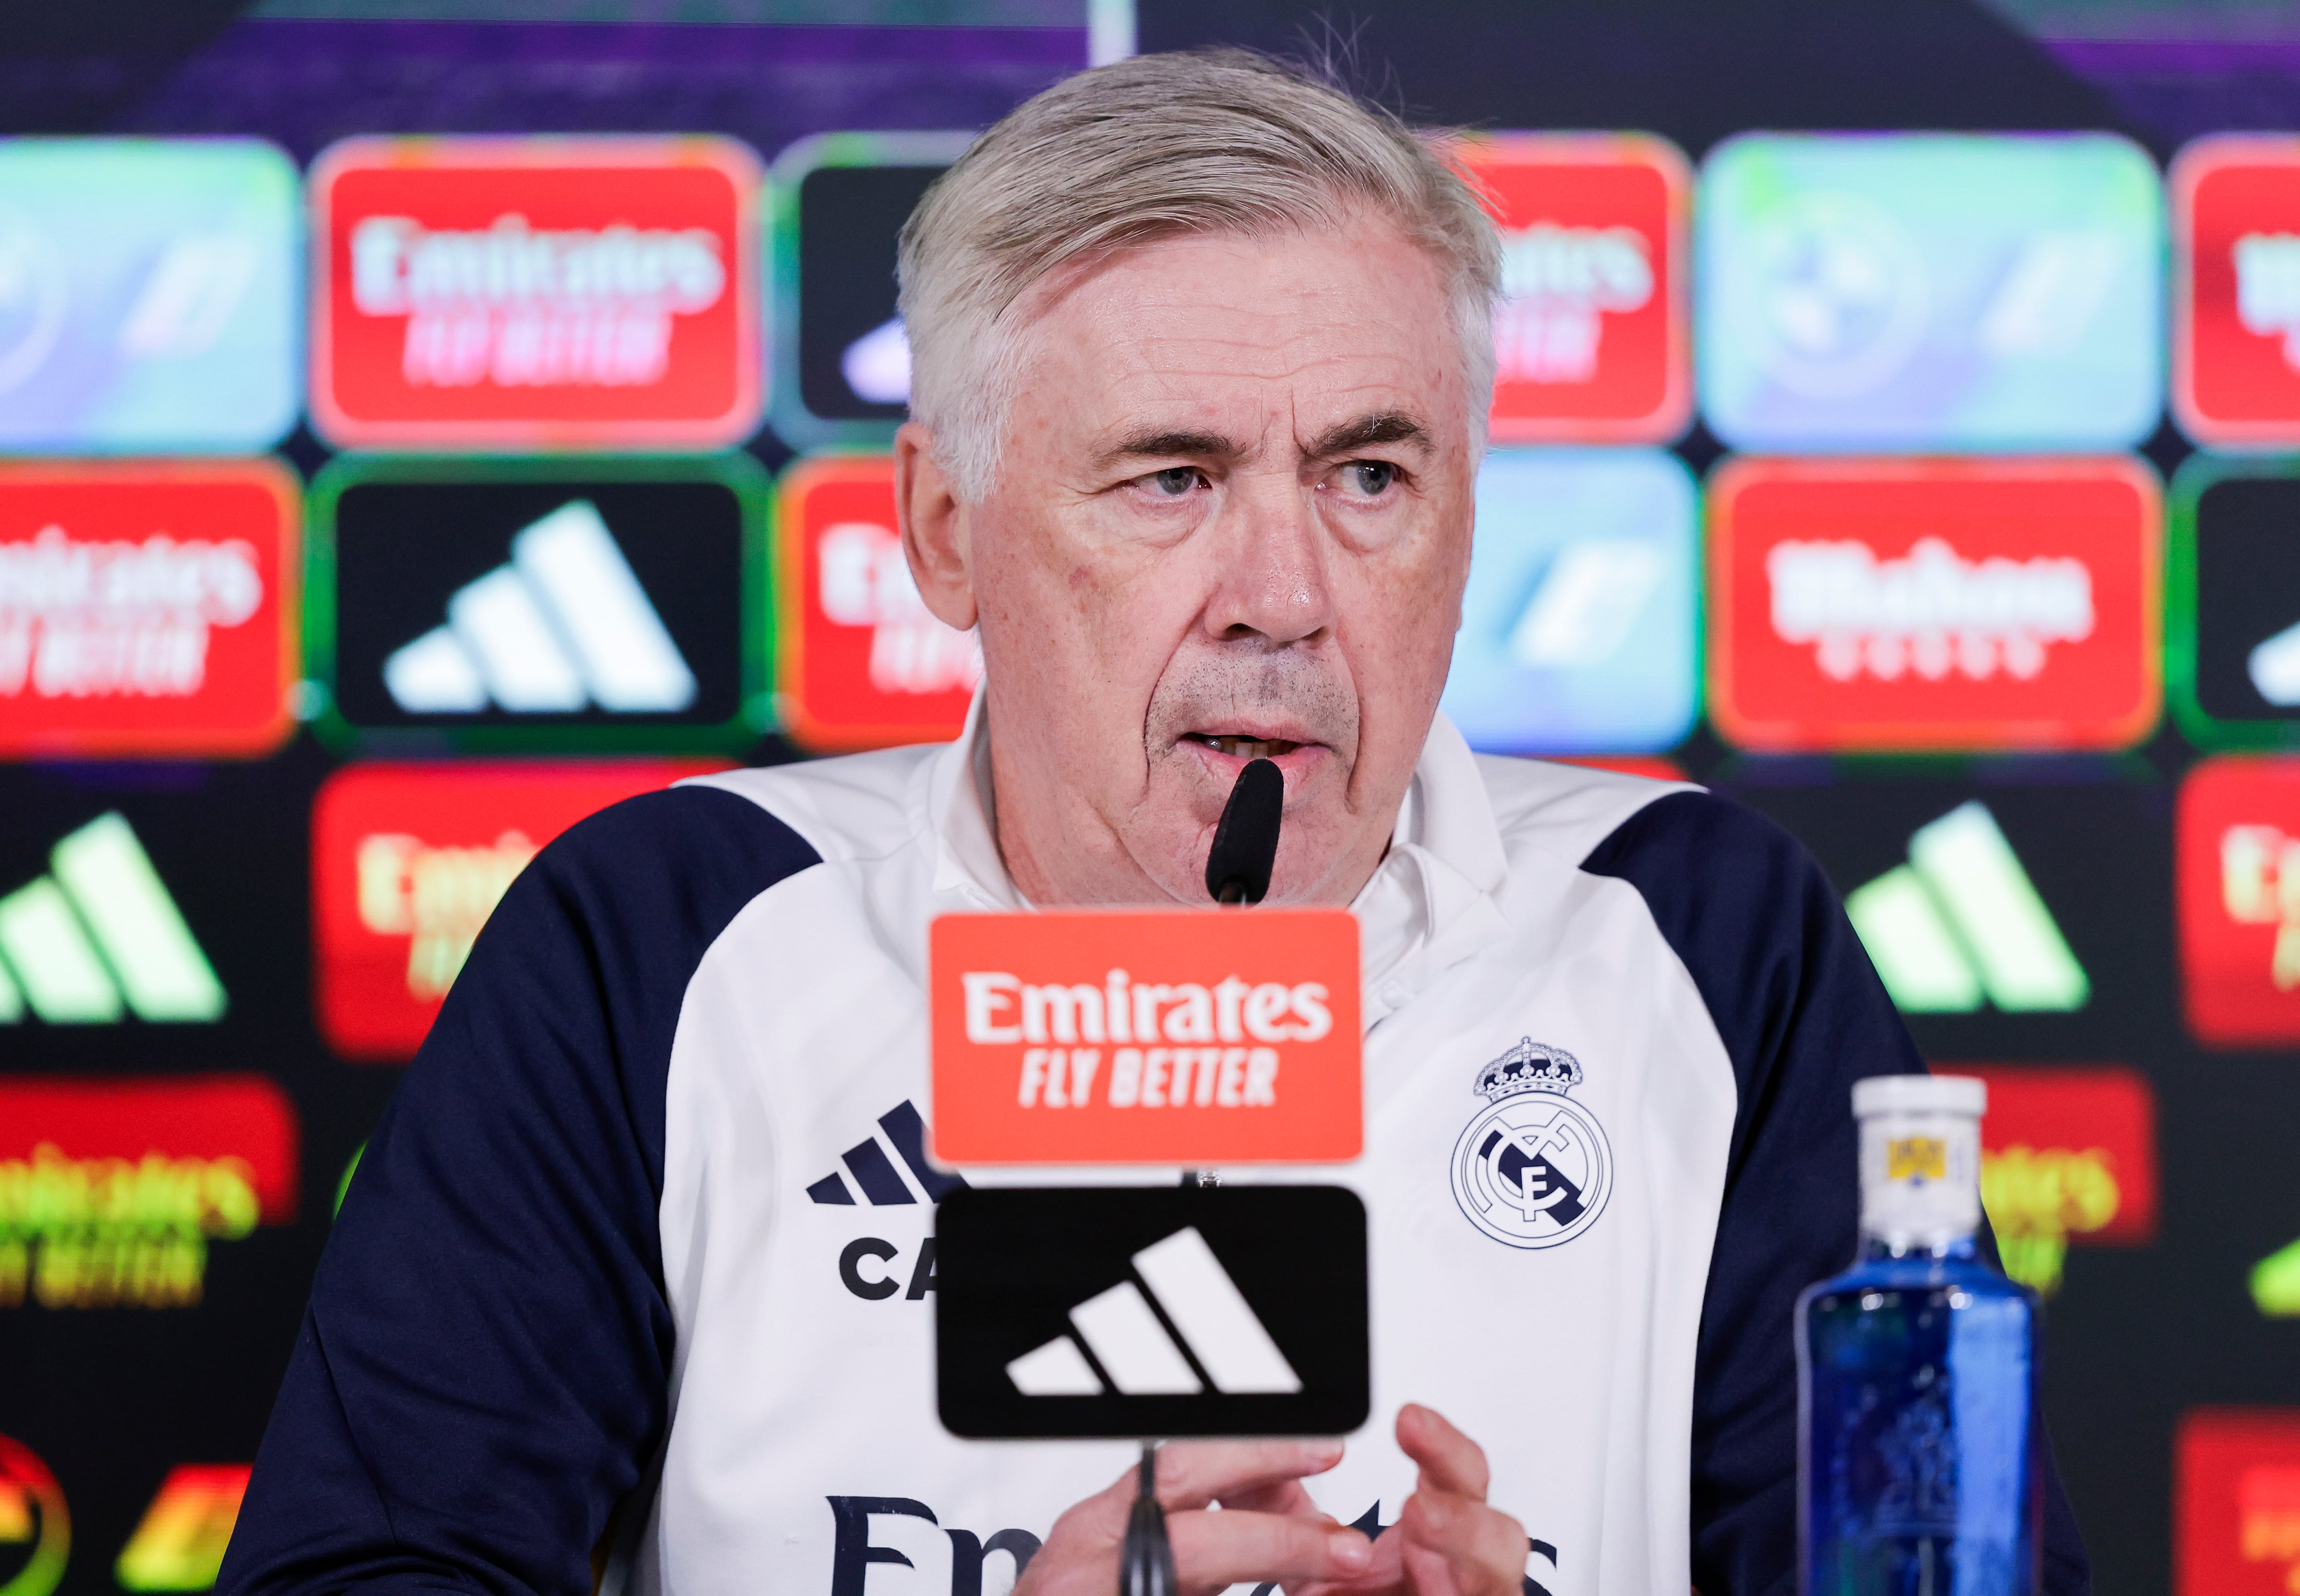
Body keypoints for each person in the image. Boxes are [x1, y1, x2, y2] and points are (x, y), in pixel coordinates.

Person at [221, 50, 2088, 1596]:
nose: (1281, 591)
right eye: (1171, 478)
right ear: (943, 529)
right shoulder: (660, 939)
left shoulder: (1705, 939)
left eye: (1368, 473)